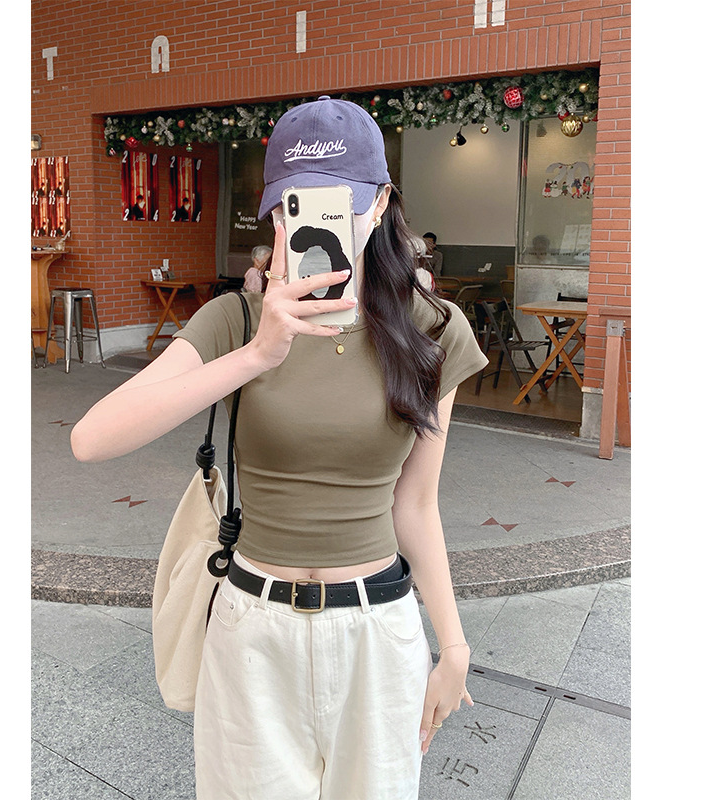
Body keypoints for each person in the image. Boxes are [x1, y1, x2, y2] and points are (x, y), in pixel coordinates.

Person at [71, 95, 488, 800]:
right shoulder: (235, 320)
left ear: (380, 203)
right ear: (274, 215)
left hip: (377, 631)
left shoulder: (434, 330)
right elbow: (91, 438)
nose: (315, 221)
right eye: (294, 204)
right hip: (251, 628)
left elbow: (416, 504)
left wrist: (452, 645)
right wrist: (257, 355)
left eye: (339, 201)